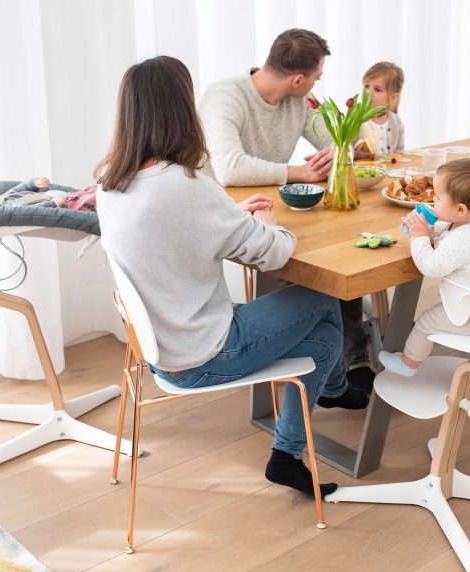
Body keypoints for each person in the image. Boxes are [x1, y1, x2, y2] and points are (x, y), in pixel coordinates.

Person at [95, 56, 369, 499]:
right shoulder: (186, 186)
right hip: (205, 351)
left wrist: (227, 217)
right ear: (181, 109)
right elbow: (275, 253)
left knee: (323, 343)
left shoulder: (112, 181)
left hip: (160, 346)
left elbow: (171, 230)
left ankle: (287, 455)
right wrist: (272, 221)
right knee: (322, 298)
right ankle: (336, 389)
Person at [199, 28, 374, 401]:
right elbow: (230, 168)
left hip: (274, 207)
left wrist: (339, 151)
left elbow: (335, 139)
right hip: (228, 213)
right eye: (316, 77)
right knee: (311, 265)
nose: (316, 84)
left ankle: (343, 363)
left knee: (345, 250)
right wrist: (302, 172)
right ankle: (319, 364)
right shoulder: (225, 96)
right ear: (298, 78)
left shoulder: (299, 102)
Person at [379, 158, 470, 376]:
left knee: (425, 322)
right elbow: (448, 230)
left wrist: (419, 238)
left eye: (437, 198)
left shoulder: (464, 239)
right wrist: (427, 230)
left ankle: (408, 365)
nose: (432, 200)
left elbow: (432, 266)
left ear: (460, 209)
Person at [0, 177, 97, 212]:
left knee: (93, 190)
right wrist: (53, 204)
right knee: (95, 199)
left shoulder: (3, 199)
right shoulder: (5, 211)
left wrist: (34, 183)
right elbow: (32, 212)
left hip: (64, 196)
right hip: (64, 206)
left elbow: (17, 189)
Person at [354, 62, 405, 160]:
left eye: (377, 89)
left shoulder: (396, 122)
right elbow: (343, 151)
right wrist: (355, 156)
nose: (368, 92)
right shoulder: (355, 120)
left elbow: (400, 153)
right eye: (366, 86)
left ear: (394, 97)